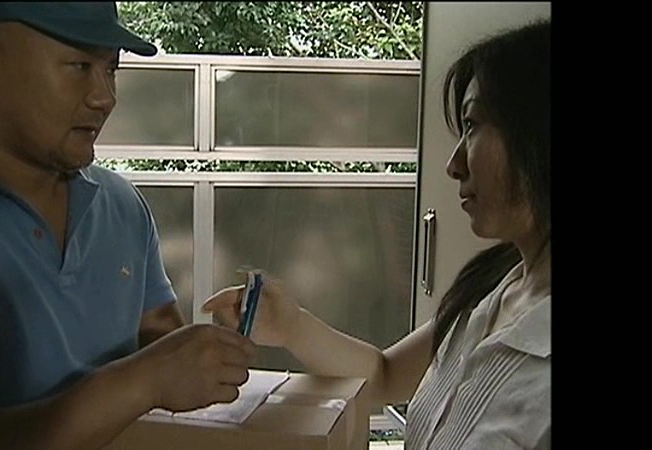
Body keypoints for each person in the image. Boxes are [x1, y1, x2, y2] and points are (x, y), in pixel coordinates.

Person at [204, 19, 550, 450]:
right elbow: (385, 376)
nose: (454, 164)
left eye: (473, 124)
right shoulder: (492, 286)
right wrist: (289, 325)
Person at [0, 3, 255, 449]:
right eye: (79, 66)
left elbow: (158, 343)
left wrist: (210, 353)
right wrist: (143, 381)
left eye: (110, 70)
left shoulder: (121, 206)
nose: (105, 97)